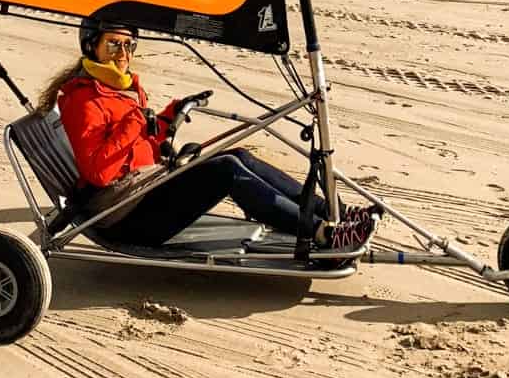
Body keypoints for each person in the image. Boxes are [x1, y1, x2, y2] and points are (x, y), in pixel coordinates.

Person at [36, 15, 377, 254]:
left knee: (238, 156)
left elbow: (144, 149)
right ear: (91, 45)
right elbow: (99, 170)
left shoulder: (120, 88)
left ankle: (335, 213)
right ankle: (322, 234)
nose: (123, 55)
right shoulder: (83, 99)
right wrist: (135, 124)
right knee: (226, 171)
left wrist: (168, 120)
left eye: (129, 45)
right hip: (126, 217)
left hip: (144, 187)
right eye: (114, 46)